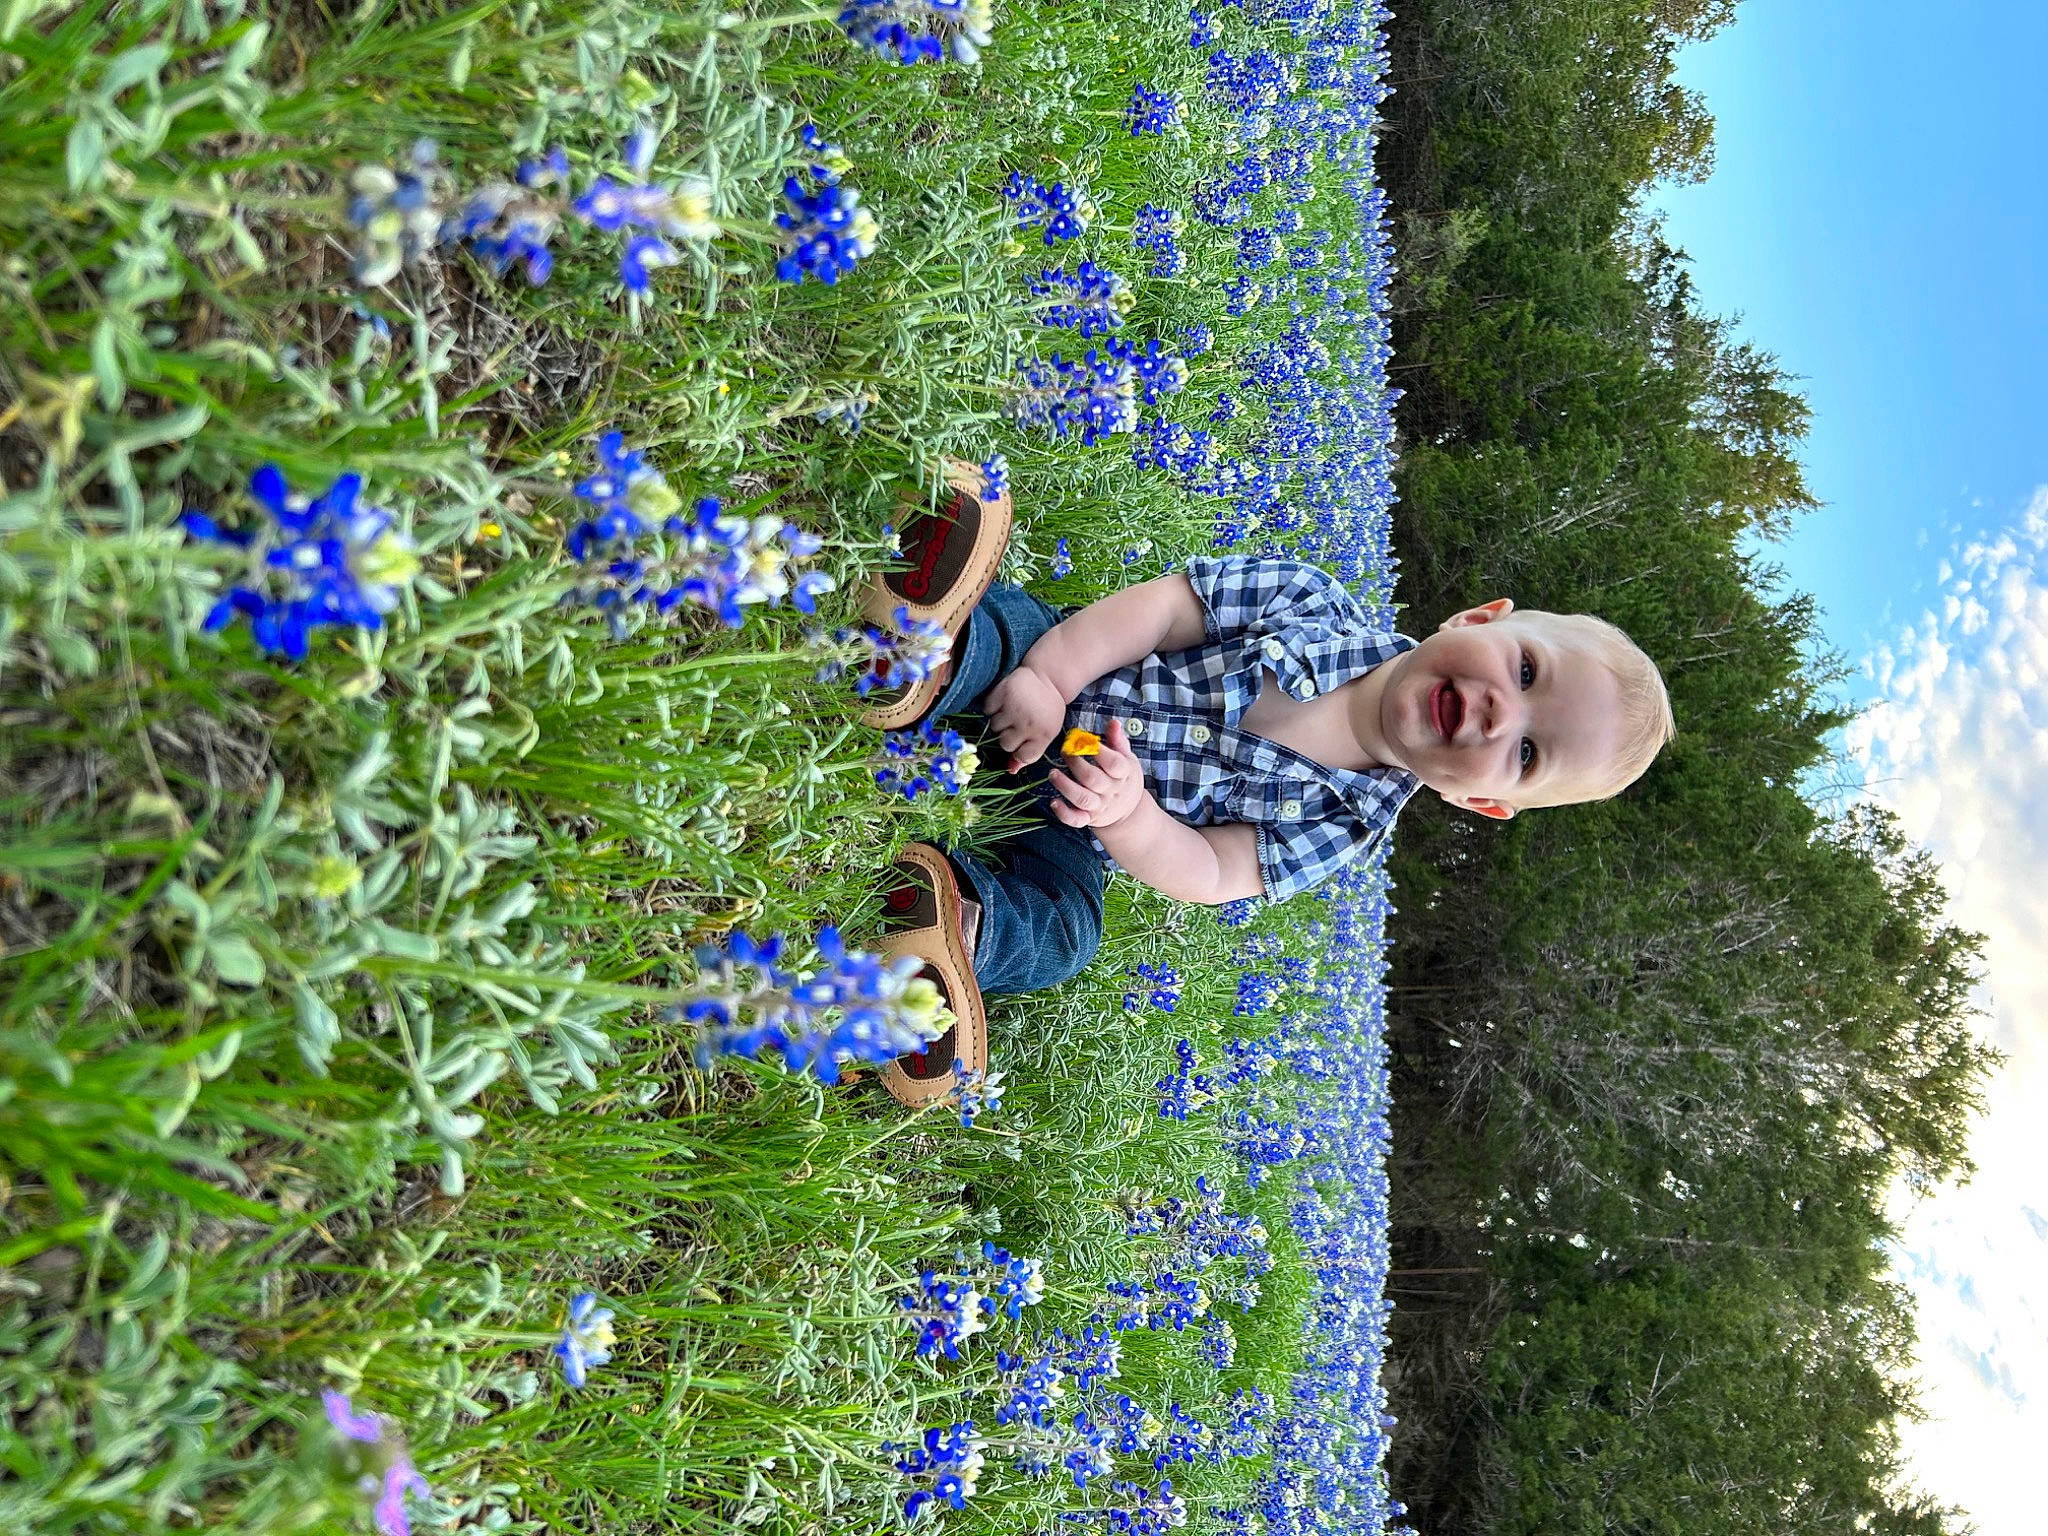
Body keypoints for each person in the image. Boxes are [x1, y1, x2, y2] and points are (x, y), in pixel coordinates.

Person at [859, 461, 1675, 1106]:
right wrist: (1049, 672)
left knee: (1069, 933)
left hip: (1075, 816)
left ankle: (949, 933)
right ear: (1476, 619)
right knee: (1013, 630)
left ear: (1479, 802)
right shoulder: (1310, 601)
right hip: (1060, 691)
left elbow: (1212, 871)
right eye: (1527, 670)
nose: (1502, 714)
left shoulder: (1348, 823)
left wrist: (1128, 813)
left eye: (1528, 754)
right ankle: (911, 648)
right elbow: (1161, 613)